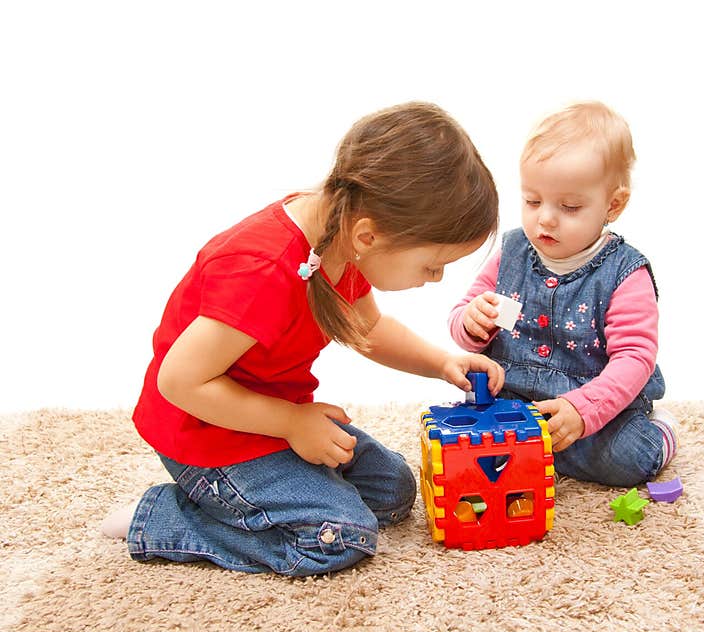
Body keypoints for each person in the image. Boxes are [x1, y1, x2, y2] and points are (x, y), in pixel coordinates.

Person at [100, 101, 505, 577]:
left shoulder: (343, 238)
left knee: (393, 491)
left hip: (266, 419)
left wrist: (441, 363)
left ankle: (256, 502)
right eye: (431, 265)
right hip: (206, 435)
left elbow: (369, 329)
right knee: (339, 537)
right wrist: (293, 422)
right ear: (368, 237)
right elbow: (180, 384)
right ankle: (165, 517)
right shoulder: (262, 272)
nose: (435, 279)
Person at [448, 101, 678, 487]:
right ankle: (536, 451)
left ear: (613, 204)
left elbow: (635, 357)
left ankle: (662, 432)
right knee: (471, 439)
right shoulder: (512, 254)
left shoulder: (624, 273)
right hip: (515, 397)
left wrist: (584, 410)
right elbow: (461, 322)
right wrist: (472, 321)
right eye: (532, 201)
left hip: (593, 405)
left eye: (569, 207)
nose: (546, 218)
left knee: (628, 459)